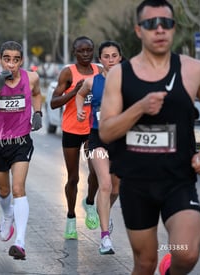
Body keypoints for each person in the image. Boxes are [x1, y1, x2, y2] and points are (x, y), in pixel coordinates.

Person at [99, 1, 200, 274]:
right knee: (145, 262)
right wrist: (139, 108)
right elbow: (106, 131)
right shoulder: (120, 74)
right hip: (136, 183)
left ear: (174, 29)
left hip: (178, 180)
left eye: (167, 23)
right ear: (139, 30)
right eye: (152, 24)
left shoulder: (194, 70)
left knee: (185, 253)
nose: (160, 29)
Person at [0, 41, 43, 260]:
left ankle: (20, 243)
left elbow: (37, 94)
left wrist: (38, 112)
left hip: (20, 142)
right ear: (0, 59)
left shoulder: (31, 78)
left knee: (18, 188)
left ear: (21, 60)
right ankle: (8, 216)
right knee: (3, 191)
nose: (12, 64)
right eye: (7, 59)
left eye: (16, 59)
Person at [50, 36, 101, 239]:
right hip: (71, 129)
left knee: (96, 170)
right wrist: (74, 92)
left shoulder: (99, 71)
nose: (86, 54)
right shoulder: (68, 72)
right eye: (81, 51)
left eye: (89, 50)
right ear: (75, 52)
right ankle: (71, 219)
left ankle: (89, 202)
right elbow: (54, 102)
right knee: (73, 177)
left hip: (92, 129)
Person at [75, 41, 123, 254]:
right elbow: (79, 95)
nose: (110, 60)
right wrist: (79, 111)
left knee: (115, 189)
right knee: (104, 185)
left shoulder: (128, 81)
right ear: (100, 59)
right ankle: (105, 239)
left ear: (120, 58)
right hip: (98, 138)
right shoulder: (91, 81)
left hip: (121, 139)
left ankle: (104, 212)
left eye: (114, 56)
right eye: (106, 56)